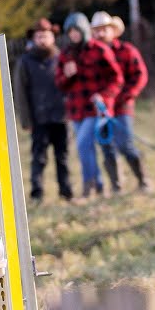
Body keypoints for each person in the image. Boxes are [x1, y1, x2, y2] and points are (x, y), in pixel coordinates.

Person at [56, 12, 124, 197]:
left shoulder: (99, 50)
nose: (74, 35)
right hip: (76, 109)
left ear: (84, 31)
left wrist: (104, 95)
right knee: (88, 148)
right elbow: (60, 83)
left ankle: (89, 186)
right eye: (70, 32)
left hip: (96, 108)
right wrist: (67, 76)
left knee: (83, 144)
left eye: (76, 31)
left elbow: (117, 78)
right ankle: (100, 186)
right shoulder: (65, 54)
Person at [14, 19, 73, 203]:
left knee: (62, 157)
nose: (43, 40)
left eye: (46, 36)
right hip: (38, 118)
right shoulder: (25, 61)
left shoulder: (61, 58)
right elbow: (20, 93)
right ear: (33, 38)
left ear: (53, 37)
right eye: (39, 36)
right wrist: (26, 121)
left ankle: (66, 192)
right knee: (38, 158)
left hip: (61, 116)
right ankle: (37, 193)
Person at [90, 12, 151, 191]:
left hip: (122, 106)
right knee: (106, 145)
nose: (101, 33)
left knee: (125, 143)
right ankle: (116, 185)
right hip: (100, 107)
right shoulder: (91, 54)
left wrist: (127, 95)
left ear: (113, 31)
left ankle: (143, 180)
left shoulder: (127, 51)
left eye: (105, 29)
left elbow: (140, 75)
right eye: (97, 30)